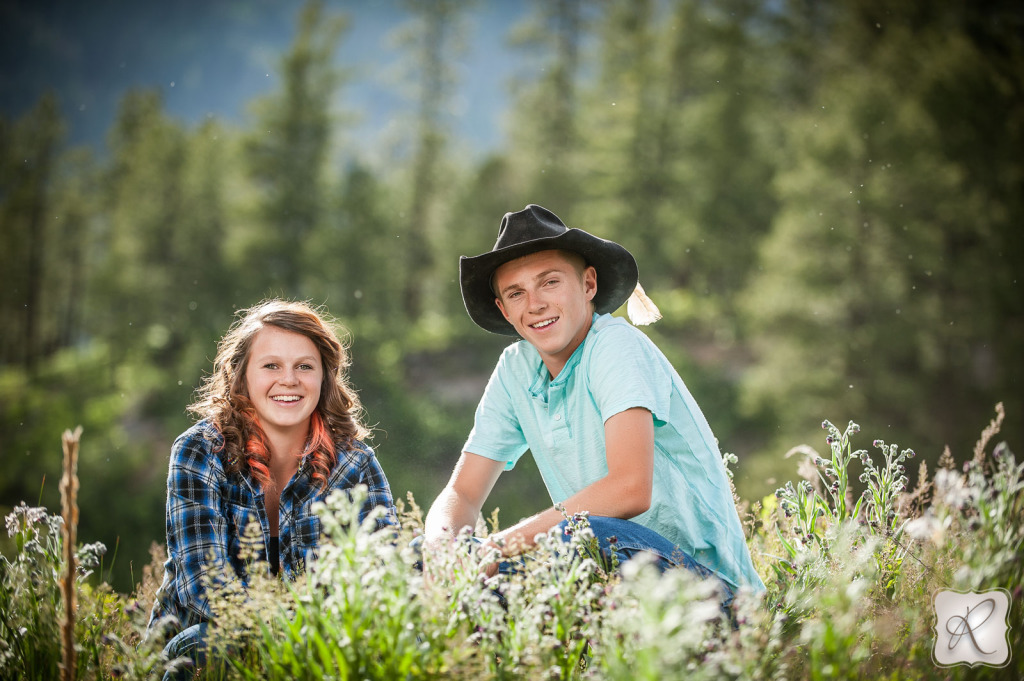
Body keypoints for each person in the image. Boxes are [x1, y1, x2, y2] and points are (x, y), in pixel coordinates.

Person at [423, 204, 764, 597]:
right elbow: (462, 493)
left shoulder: (615, 346)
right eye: (516, 293)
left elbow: (630, 488)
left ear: (588, 285)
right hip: (607, 571)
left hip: (712, 591)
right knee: (424, 554)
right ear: (504, 309)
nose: (534, 304)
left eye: (550, 282)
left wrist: (501, 546)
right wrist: (440, 550)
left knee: (582, 536)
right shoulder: (516, 369)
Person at [147, 299, 398, 676]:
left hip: (317, 651)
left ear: (324, 378)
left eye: (304, 367)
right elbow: (205, 585)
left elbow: (385, 575)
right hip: (203, 642)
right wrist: (287, 634)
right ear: (242, 375)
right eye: (271, 366)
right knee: (211, 643)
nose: (289, 380)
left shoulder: (355, 464)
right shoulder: (200, 451)